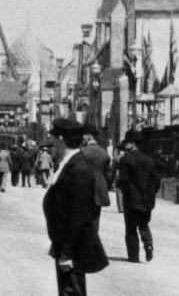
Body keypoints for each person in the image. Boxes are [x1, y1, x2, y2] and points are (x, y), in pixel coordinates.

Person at [42, 119, 109, 296]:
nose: (53, 142)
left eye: (54, 137)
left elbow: (79, 216)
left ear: (61, 139)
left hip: (72, 248)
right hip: (63, 243)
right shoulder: (69, 163)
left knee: (72, 292)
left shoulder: (78, 168)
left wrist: (67, 253)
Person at [116, 131, 158, 263]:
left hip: (131, 199)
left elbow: (123, 181)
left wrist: (122, 188)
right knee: (144, 225)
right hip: (146, 200)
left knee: (130, 228)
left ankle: (133, 256)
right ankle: (148, 244)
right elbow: (156, 182)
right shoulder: (150, 161)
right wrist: (150, 195)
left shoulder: (126, 160)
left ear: (132, 144)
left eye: (127, 143)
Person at [82, 129, 112, 231]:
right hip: (100, 188)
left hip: (84, 188)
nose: (82, 140)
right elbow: (108, 174)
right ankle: (94, 239)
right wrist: (105, 186)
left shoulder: (82, 152)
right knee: (96, 217)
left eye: (83, 138)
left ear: (88, 137)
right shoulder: (104, 153)